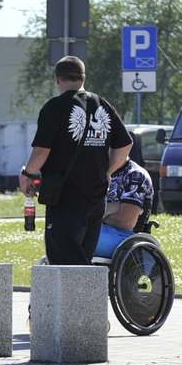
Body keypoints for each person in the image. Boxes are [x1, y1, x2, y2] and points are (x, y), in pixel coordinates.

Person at [19, 56, 132, 264]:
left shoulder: (55, 107)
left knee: (63, 259)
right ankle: (87, 287)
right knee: (84, 257)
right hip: (97, 196)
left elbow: (42, 151)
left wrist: (27, 174)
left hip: (66, 196)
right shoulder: (102, 105)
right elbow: (125, 145)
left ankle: (77, 287)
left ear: (57, 79)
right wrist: (107, 172)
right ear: (83, 78)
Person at [93, 158, 154, 259]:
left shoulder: (136, 174)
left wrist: (96, 213)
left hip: (127, 238)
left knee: (76, 238)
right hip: (98, 229)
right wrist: (112, 208)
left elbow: (125, 222)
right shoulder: (95, 171)